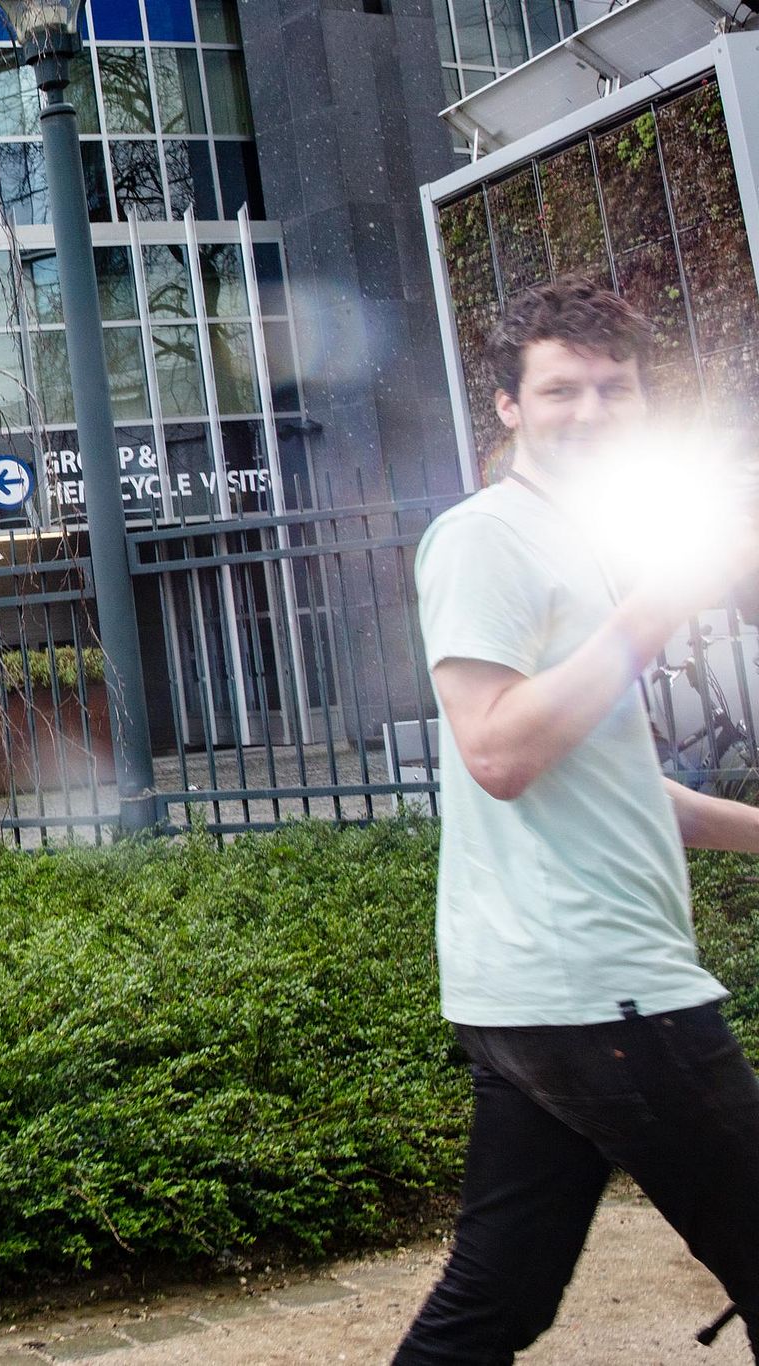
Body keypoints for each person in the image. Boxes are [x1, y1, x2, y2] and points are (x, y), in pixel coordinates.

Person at [395, 276, 759, 1363]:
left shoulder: (576, 544)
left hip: (546, 989)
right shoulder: (485, 540)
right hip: (603, 985)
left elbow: (607, 781)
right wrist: (656, 604)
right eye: (561, 391)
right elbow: (499, 748)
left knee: (495, 1300)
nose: (591, 412)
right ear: (504, 406)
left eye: (615, 390)